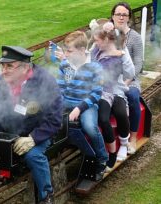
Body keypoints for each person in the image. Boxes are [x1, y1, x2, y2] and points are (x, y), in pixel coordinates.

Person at [0, 45, 63, 204]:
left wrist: (33, 138)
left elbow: (54, 120)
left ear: (25, 67)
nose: (3, 70)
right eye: (2, 65)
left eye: (9, 66)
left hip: (37, 132)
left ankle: (46, 196)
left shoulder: (45, 82)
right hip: (6, 130)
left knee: (34, 156)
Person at [53, 31, 108, 180]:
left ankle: (102, 158)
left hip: (87, 104)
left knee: (89, 126)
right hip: (67, 100)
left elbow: (96, 93)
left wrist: (79, 108)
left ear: (82, 50)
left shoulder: (95, 67)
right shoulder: (65, 65)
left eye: (69, 51)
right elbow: (60, 89)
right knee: (48, 116)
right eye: (66, 50)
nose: (66, 54)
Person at [91, 22, 134, 170]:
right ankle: (107, 149)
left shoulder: (120, 52)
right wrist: (100, 28)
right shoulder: (97, 50)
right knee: (102, 117)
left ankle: (123, 143)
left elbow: (130, 72)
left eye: (98, 41)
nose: (96, 44)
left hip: (116, 90)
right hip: (101, 90)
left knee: (121, 112)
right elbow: (91, 53)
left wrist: (122, 53)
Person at [111, 2, 143, 153]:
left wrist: (126, 81)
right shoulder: (108, 35)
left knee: (132, 95)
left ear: (129, 17)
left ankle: (133, 137)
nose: (121, 17)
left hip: (130, 80)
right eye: (118, 14)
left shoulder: (135, 38)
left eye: (125, 14)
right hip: (110, 79)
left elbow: (138, 64)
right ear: (113, 16)